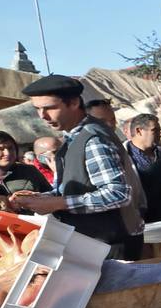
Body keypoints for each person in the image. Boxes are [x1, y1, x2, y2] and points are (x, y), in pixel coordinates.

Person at [8, 74, 146, 259]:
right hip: (95, 243)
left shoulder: (93, 138)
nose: (43, 116)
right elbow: (68, 191)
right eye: (38, 109)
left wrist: (58, 203)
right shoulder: (72, 139)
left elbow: (119, 194)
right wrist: (40, 199)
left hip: (112, 246)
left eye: (49, 108)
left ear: (73, 103)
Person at [0, 130, 51, 199]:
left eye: (10, 148)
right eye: (0, 149)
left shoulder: (29, 171)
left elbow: (50, 196)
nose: (7, 153)